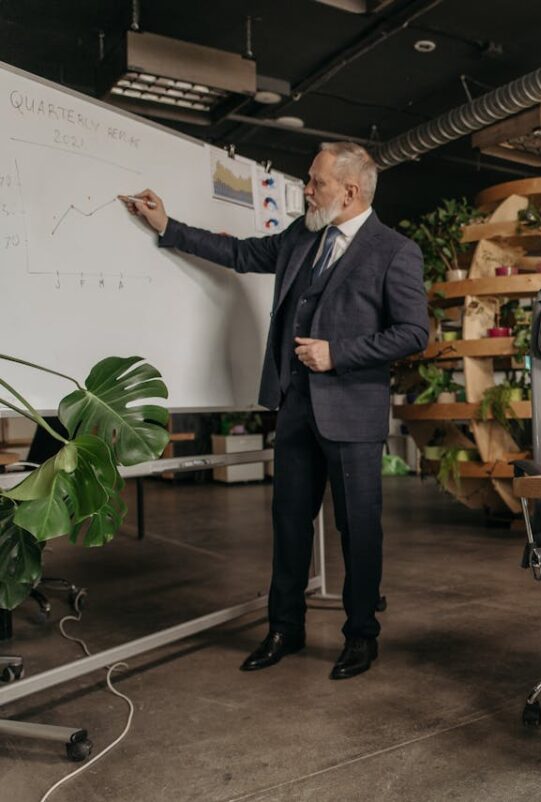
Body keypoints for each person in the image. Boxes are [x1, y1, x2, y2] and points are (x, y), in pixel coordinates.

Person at [123, 142, 428, 680]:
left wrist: (339, 354)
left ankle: (361, 636)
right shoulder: (302, 234)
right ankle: (285, 628)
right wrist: (167, 225)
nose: (306, 191)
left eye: (316, 182)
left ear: (351, 191)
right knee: (288, 523)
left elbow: (413, 333)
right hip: (294, 405)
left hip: (352, 413)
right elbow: (242, 255)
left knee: (359, 530)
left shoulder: (394, 251)